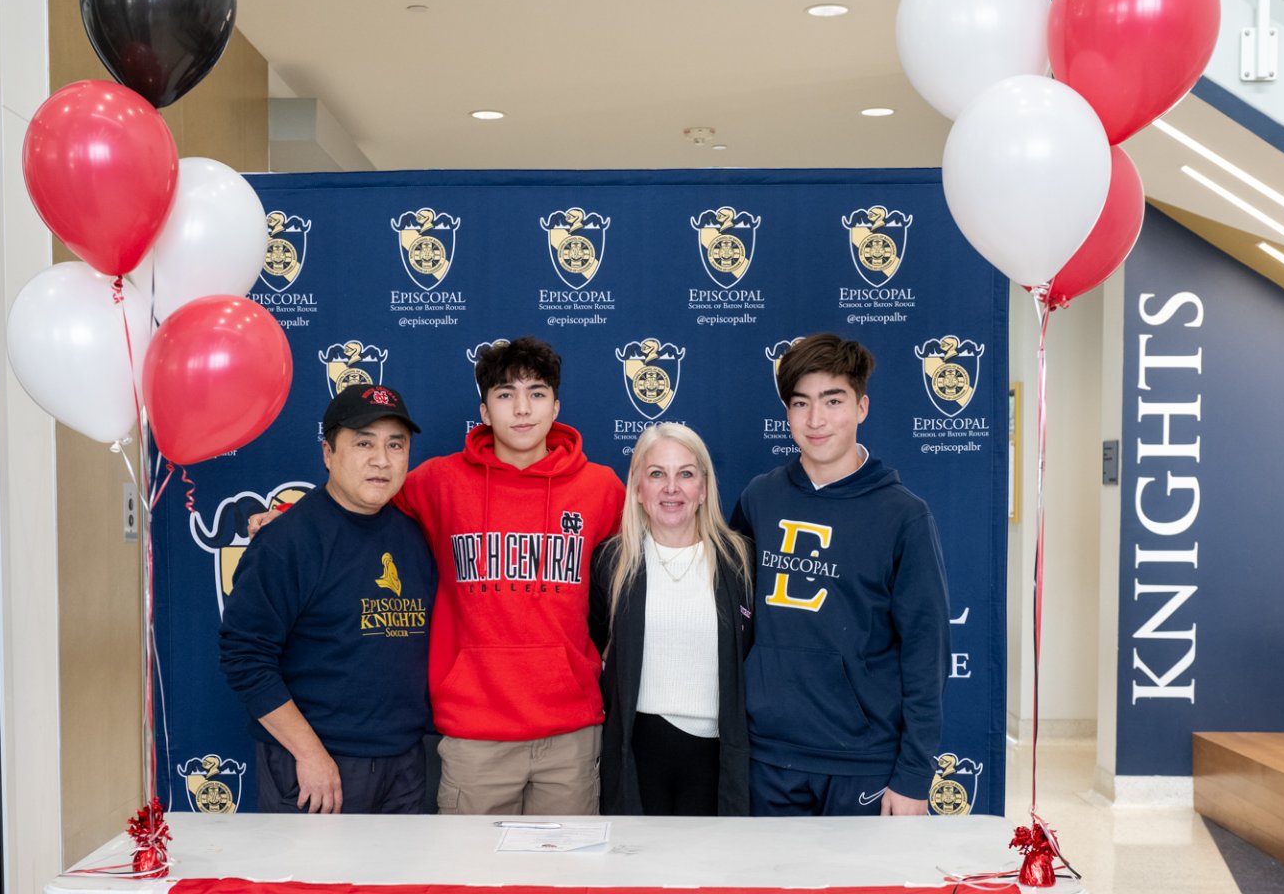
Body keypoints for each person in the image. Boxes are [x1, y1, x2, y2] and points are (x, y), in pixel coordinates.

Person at [394, 336, 625, 816]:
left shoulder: (600, 487)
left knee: (561, 887)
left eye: (537, 393)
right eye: (505, 395)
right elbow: (360, 501)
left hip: (569, 733)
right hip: (476, 735)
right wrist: (288, 516)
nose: (522, 409)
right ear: (484, 410)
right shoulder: (439, 482)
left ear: (556, 405)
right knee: (472, 886)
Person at [730, 333, 949, 817]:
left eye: (833, 401)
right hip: (768, 757)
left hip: (863, 762)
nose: (815, 420)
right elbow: (730, 617)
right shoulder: (758, 499)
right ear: (786, 412)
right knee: (774, 893)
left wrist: (914, 775)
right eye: (800, 403)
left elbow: (925, 651)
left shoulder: (904, 516)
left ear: (862, 407)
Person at [219, 383, 437, 814]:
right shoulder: (287, 541)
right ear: (327, 454)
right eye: (363, 443)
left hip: (405, 765)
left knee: (397, 883)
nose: (381, 459)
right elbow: (244, 656)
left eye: (396, 444)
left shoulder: (414, 534)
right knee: (310, 883)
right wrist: (309, 754)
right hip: (316, 769)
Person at [590, 423, 753, 816]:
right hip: (639, 746)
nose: (671, 487)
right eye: (657, 474)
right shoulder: (612, 561)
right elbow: (592, 649)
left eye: (686, 474)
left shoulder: (740, 561)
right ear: (638, 489)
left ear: (703, 488)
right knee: (638, 872)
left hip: (714, 752)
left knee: (705, 872)